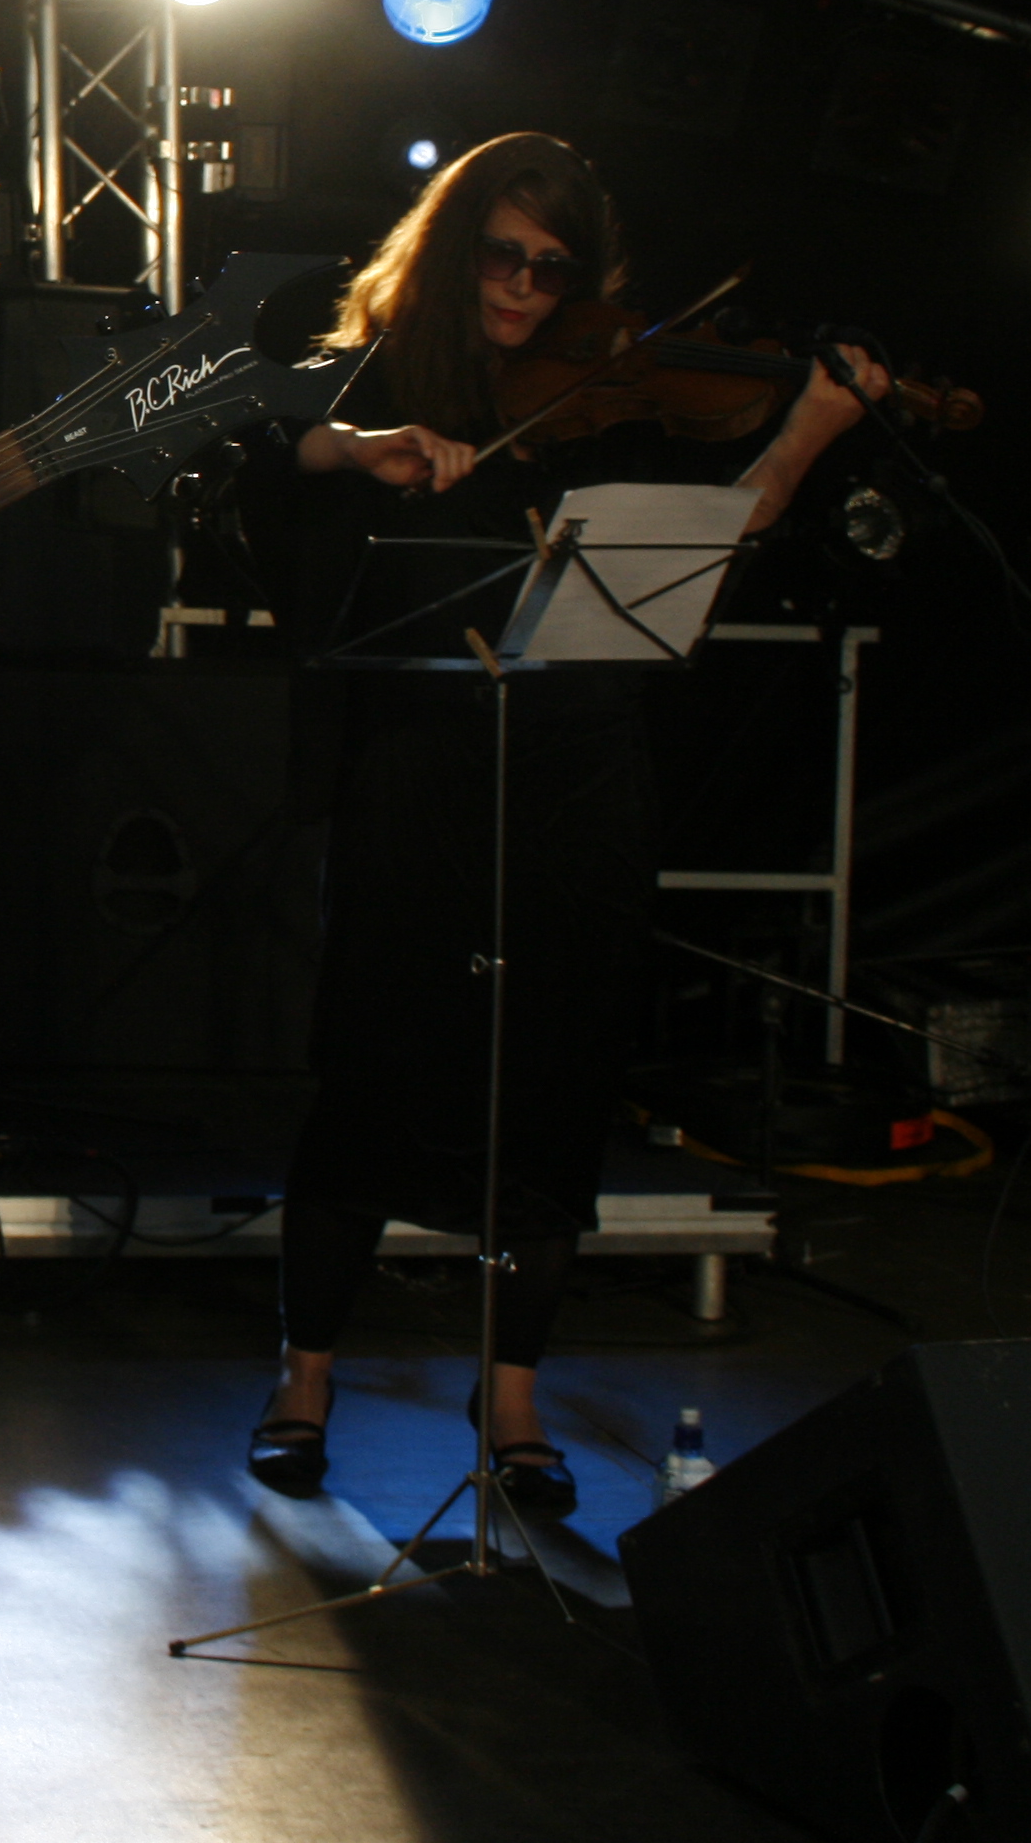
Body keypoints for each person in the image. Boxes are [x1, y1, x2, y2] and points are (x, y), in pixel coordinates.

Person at [243, 132, 884, 1510]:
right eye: (504, 257)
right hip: (418, 757)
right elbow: (256, 435)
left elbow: (717, 534)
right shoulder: (373, 370)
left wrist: (807, 433)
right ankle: (305, 1373)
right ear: (452, 246)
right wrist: (358, 448)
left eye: (555, 268)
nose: (527, 290)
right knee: (374, 1059)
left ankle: (515, 1394)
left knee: (560, 1069)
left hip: (582, 761)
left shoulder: (618, 394)